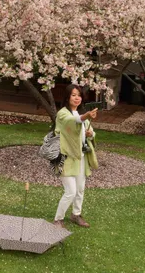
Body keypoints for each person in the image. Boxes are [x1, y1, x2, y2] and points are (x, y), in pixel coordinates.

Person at [52, 84, 99, 229]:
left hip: (81, 157)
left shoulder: (81, 115)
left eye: (78, 95)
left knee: (80, 189)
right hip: (65, 158)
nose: (77, 98)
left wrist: (90, 135)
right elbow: (72, 122)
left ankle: (76, 214)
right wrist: (85, 116)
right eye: (73, 95)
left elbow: (91, 131)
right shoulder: (63, 114)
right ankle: (58, 219)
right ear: (67, 97)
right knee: (70, 191)